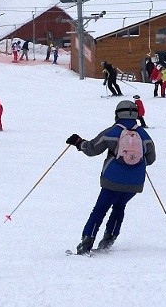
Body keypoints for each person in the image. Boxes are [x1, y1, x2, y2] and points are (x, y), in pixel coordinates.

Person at [66, 100, 156, 254]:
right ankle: (109, 238)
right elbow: (151, 158)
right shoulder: (143, 134)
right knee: (120, 206)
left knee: (100, 209)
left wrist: (79, 143)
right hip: (134, 183)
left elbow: (92, 149)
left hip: (112, 180)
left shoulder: (113, 132)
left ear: (117, 114)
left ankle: (87, 241)